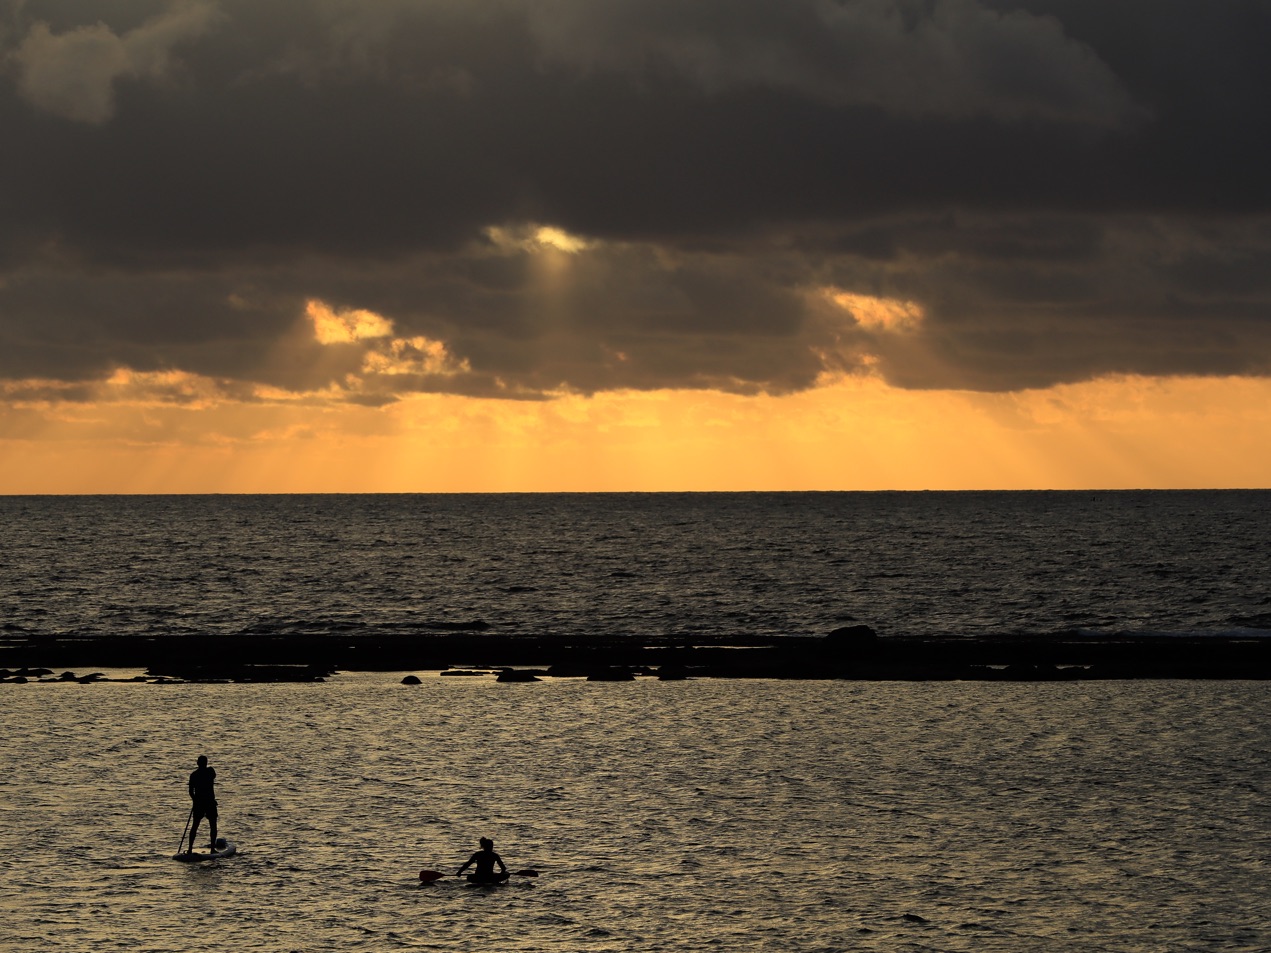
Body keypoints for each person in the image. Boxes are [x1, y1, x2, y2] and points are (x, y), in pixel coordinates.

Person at [187, 755, 218, 854]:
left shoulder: (194, 775)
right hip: (208, 802)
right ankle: (212, 848)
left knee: (195, 825)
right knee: (212, 825)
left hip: (200, 803)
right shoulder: (210, 772)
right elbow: (214, 774)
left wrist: (195, 800)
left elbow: (191, 791)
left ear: (197, 763)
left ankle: (190, 849)